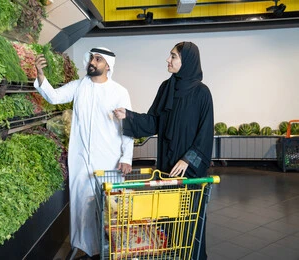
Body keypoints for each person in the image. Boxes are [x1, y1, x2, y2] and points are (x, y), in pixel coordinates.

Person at [113, 41, 214, 260]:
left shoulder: (202, 93)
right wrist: (128, 116)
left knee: (188, 220)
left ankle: (191, 256)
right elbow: (153, 122)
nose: (168, 60)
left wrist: (188, 159)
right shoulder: (166, 88)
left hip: (189, 171)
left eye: (173, 56)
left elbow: (205, 133)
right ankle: (170, 254)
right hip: (167, 165)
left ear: (186, 61)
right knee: (167, 216)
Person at [34, 47, 134, 259]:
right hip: (80, 160)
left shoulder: (119, 92)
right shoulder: (78, 86)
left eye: (98, 59)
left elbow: (128, 128)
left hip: (109, 161)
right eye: (91, 58)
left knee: (108, 209)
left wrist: (126, 157)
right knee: (81, 207)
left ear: (108, 66)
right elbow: (53, 97)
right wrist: (40, 75)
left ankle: (109, 251)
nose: (92, 62)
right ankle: (84, 249)